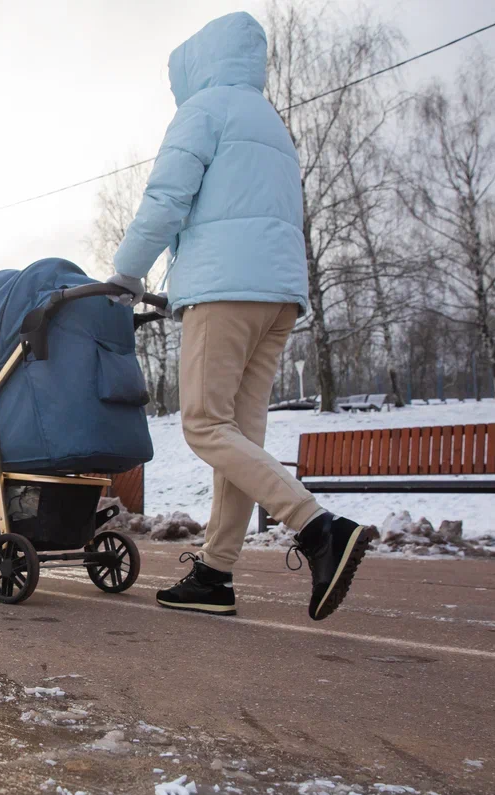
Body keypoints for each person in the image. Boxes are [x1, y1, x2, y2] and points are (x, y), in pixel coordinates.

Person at [106, 11, 369, 621]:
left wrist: (126, 272)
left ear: (197, 64)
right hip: (277, 295)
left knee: (202, 424)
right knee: (239, 438)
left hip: (226, 293)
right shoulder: (269, 122)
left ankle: (318, 528)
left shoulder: (203, 111)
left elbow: (167, 199)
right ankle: (216, 575)